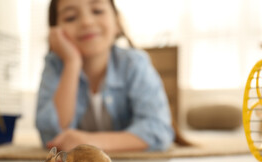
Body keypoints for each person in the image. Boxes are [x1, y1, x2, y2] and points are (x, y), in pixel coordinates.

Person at [36, 0, 187, 152]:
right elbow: (51, 136)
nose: (86, 22)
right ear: (55, 32)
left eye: (97, 11)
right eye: (70, 17)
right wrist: (72, 63)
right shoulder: (54, 66)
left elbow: (158, 129)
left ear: (117, 22)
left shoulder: (134, 63)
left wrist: (90, 142)